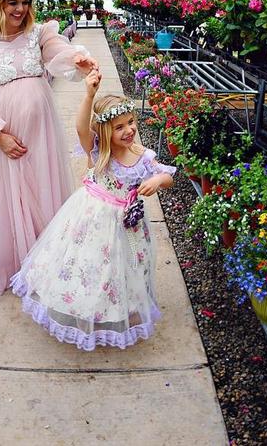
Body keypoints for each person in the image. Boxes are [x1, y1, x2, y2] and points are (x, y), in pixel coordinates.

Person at [11, 70, 175, 350]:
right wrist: (89, 94)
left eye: (131, 122)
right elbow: (80, 129)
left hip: (128, 223)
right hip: (93, 219)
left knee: (125, 265)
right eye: (119, 126)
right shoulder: (98, 151)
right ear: (104, 131)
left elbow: (168, 176)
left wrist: (158, 180)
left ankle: (123, 306)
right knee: (90, 264)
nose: (129, 130)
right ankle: (85, 306)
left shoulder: (142, 155)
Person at [0, 0, 98, 294]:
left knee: (43, 188)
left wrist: (77, 58)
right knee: (14, 198)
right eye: (12, 3)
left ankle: (47, 261)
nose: (19, 9)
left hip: (42, 133)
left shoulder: (39, 34)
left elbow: (59, 50)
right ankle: (18, 264)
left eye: (24, 2)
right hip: (7, 135)